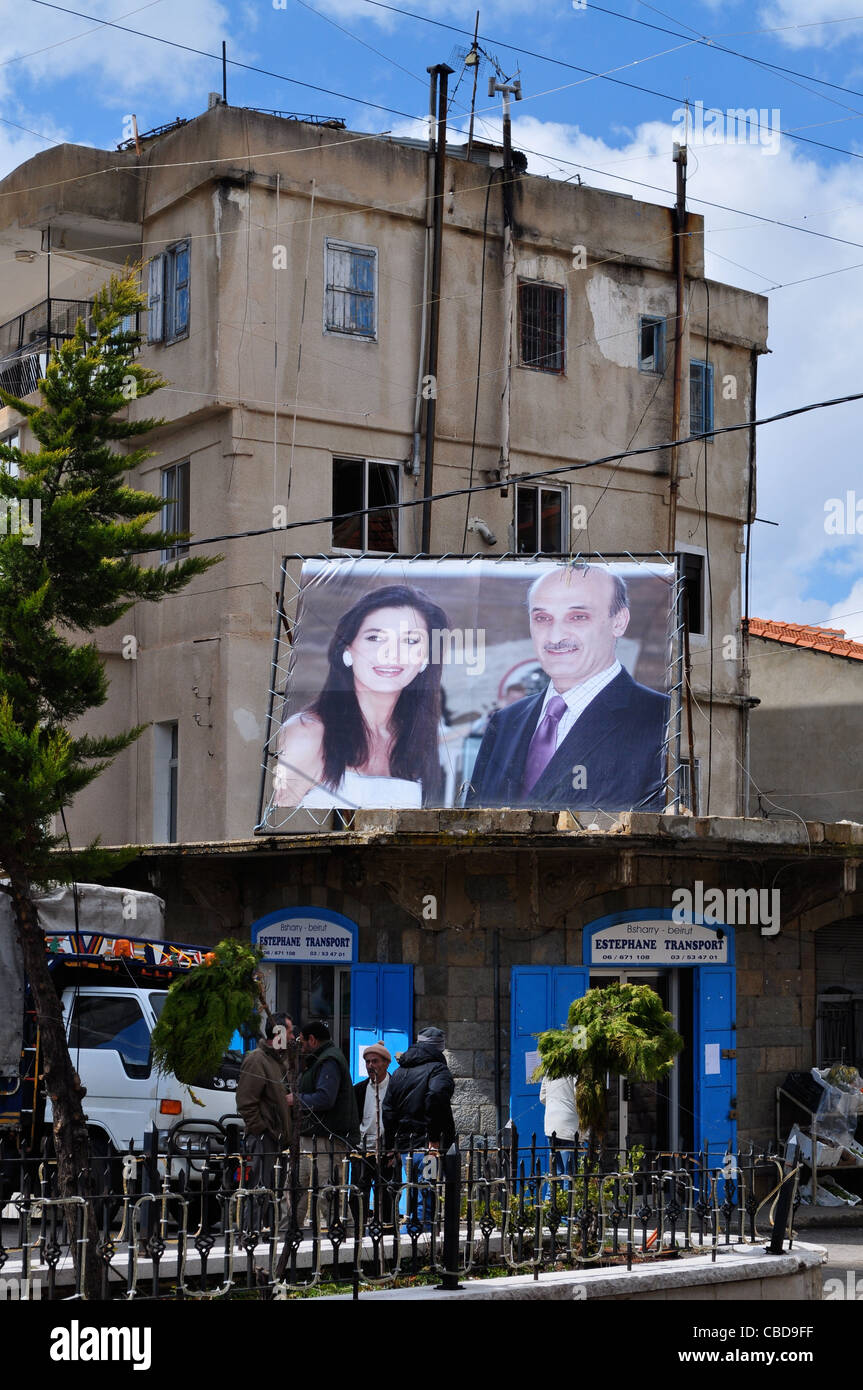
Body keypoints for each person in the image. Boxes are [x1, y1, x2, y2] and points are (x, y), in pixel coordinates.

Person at [465, 564, 669, 811]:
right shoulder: (505, 723)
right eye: (542, 618)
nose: (556, 636)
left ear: (619, 622)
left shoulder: (661, 720)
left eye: (578, 617)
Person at [272, 584, 449, 810]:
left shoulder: (416, 739)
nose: (390, 653)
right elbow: (278, 822)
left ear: (425, 658)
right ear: (347, 649)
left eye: (410, 641)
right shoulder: (307, 734)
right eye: (375, 638)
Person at [287, 1020, 360, 1233]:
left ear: (312, 1040)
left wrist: (296, 1100)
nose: (300, 1046)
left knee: (329, 1195)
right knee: (295, 1191)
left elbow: (325, 1098)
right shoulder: (319, 1059)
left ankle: (344, 1240)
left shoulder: (329, 1060)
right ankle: (288, 1237)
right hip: (310, 1137)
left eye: (302, 1041)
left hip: (326, 1139)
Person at [383, 1026, 455, 1232]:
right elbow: (436, 1097)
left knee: (412, 1196)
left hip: (405, 1148)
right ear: (439, 1048)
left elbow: (388, 1110)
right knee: (426, 1195)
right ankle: (421, 1249)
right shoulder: (438, 1070)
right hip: (427, 1148)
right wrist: (433, 1137)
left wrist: (391, 1145)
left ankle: (409, 1240)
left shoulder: (399, 1071)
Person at [236, 1012, 294, 1231]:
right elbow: (245, 1101)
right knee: (259, 1189)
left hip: (277, 1138)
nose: (292, 1036)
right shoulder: (257, 1060)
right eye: (289, 1031)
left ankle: (268, 1238)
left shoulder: (280, 1061)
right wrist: (263, 1129)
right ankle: (249, 1235)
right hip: (263, 1138)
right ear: (278, 1033)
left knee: (271, 1191)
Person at [350, 1041, 395, 1233]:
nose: (370, 1066)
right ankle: (357, 1233)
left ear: (385, 1063)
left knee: (386, 1193)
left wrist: (396, 1149)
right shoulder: (359, 1089)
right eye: (367, 1062)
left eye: (375, 1061)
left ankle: (385, 1232)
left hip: (387, 1150)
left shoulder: (395, 1087)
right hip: (361, 1149)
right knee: (358, 1194)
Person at [540, 1074, 579, 1193]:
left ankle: (550, 1203)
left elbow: (542, 1097)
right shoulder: (575, 1073)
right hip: (569, 1125)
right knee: (569, 1172)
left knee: (555, 1171)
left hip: (551, 1124)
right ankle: (568, 1205)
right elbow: (579, 1098)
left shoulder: (549, 1072)